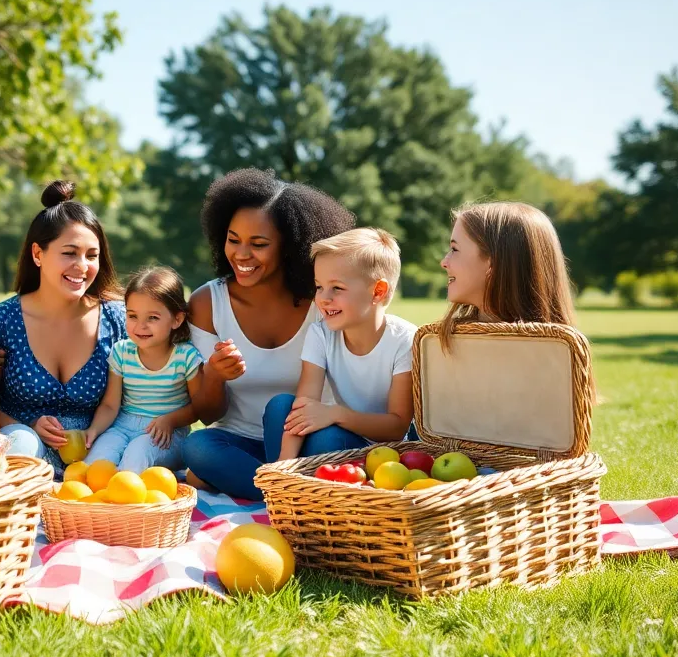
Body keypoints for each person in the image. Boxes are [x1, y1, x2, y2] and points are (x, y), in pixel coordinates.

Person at [181, 167, 357, 500]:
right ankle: (291, 493)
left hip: (311, 439)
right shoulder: (208, 302)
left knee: (331, 441)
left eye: (259, 244)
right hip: (240, 443)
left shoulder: (323, 301)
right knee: (198, 448)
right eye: (233, 240)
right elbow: (206, 415)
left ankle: (261, 485)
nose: (241, 255)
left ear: (291, 247)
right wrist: (215, 376)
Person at [0, 181, 127, 475]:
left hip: (98, 455)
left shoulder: (118, 319)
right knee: (23, 444)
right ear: (37, 254)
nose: (82, 266)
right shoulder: (2, 320)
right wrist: (27, 424)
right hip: (22, 456)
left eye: (92, 255)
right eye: (69, 253)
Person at [268, 228, 416, 463]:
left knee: (326, 441)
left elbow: (397, 427)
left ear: (378, 292)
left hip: (383, 453)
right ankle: (281, 484)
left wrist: (336, 414)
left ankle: (295, 484)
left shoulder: (405, 340)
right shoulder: (321, 333)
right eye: (319, 286)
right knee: (280, 407)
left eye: (337, 288)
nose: (323, 298)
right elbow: (304, 405)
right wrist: (283, 465)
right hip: (338, 435)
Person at [83, 266, 205, 472]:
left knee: (135, 461)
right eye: (132, 316)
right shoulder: (121, 352)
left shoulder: (185, 357)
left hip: (166, 433)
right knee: (95, 466)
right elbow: (110, 405)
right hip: (121, 427)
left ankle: (129, 504)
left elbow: (199, 407)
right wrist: (94, 429)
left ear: (177, 319)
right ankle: (96, 504)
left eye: (153, 318)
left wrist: (170, 420)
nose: (140, 326)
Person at [439, 200, 581, 338]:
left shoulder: (438, 346)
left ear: (493, 261)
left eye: (454, 249)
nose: (444, 263)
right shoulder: (561, 350)